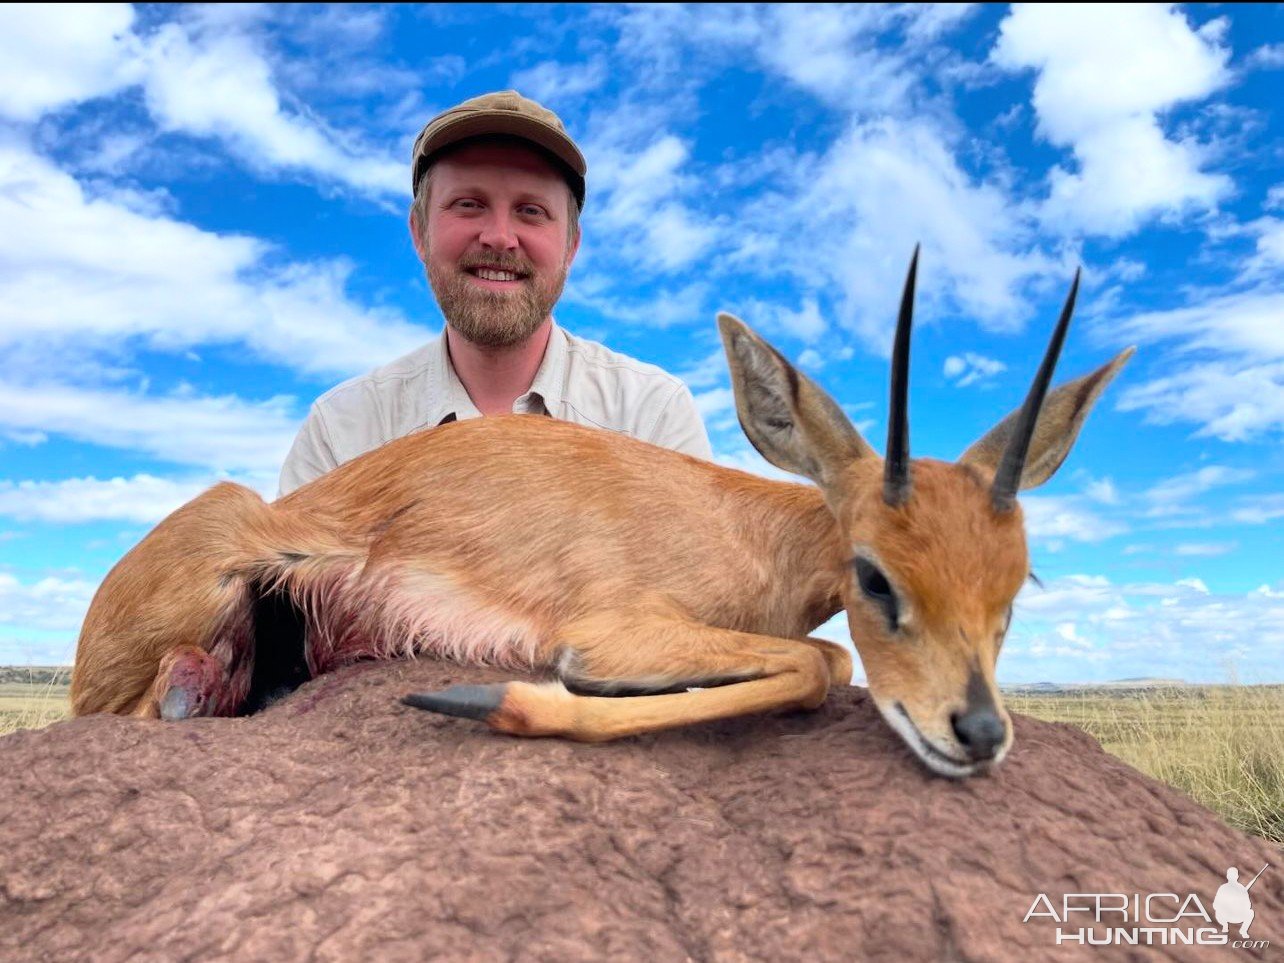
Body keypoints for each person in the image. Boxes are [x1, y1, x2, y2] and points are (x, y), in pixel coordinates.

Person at [278, 90, 713, 496]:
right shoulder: (340, 432)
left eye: (531, 211)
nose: (500, 237)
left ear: (571, 246)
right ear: (419, 232)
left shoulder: (652, 417)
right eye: (469, 204)